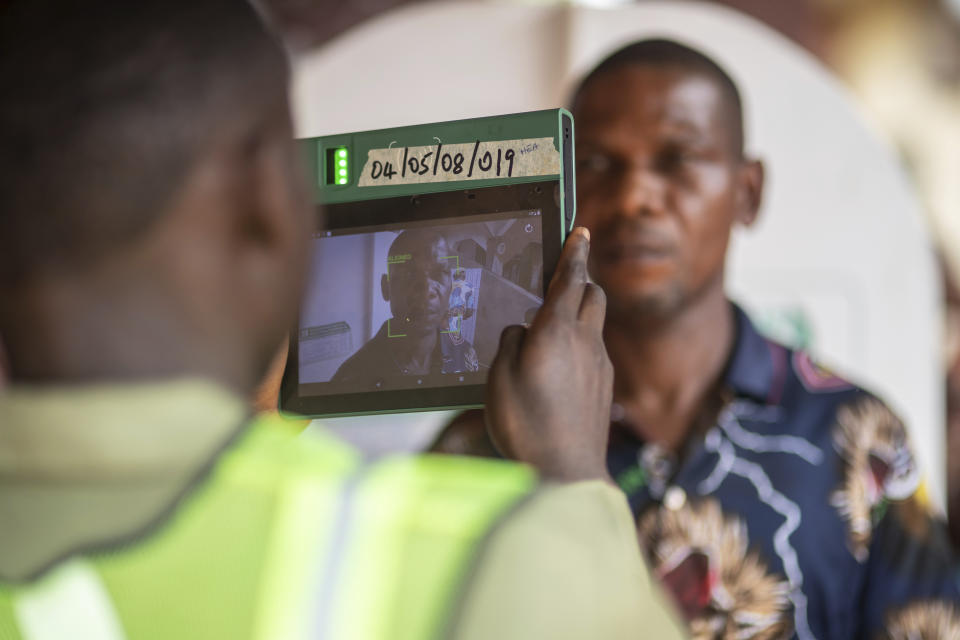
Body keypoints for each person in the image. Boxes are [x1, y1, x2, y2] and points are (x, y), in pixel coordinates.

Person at [0, 4, 684, 639]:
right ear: (267, 198)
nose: (431, 289)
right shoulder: (497, 560)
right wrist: (572, 478)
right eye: (414, 274)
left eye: (442, 275)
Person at [434, 39, 960, 639]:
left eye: (678, 159)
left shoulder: (860, 437)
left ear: (748, 192)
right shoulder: (479, 443)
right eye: (599, 165)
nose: (635, 198)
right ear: (559, 191)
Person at [331, 229, 479, 387]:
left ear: (451, 286)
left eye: (438, 273)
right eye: (409, 273)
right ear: (386, 288)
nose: (427, 290)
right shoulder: (351, 379)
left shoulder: (465, 354)